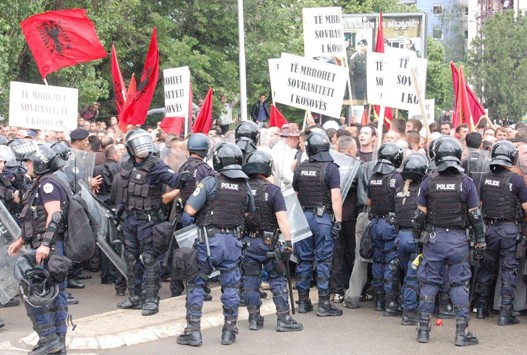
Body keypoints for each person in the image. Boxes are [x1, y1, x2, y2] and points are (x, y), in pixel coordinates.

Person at [177, 142, 254, 346]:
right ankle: (229, 331)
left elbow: (190, 211)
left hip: (209, 242)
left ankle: (193, 331)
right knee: (230, 286)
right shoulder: (244, 185)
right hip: (233, 242)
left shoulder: (210, 181)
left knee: (197, 284)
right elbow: (247, 212)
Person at [413, 136, 483, 346]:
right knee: (459, 284)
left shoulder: (428, 181)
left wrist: (418, 239)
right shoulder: (466, 182)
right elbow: (475, 216)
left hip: (434, 240)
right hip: (458, 241)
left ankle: (423, 331)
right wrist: (480, 241)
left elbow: (419, 216)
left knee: (429, 282)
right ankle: (462, 334)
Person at [115, 129, 190, 316]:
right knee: (131, 259)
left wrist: (183, 177)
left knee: (150, 259)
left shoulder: (156, 165)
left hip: (148, 222)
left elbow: (172, 179)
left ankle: (151, 300)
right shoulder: (126, 164)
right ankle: (134, 296)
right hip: (130, 220)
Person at [8, 145, 70, 354]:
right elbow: (35, 218)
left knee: (41, 293)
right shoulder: (40, 183)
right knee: (51, 294)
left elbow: (55, 215)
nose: (26, 165)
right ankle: (56, 343)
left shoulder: (48, 184)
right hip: (44, 246)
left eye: (29, 161)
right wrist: (22, 240)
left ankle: (50, 339)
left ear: (40, 163)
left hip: (49, 248)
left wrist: (45, 244)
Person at [241, 150, 303, 332]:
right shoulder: (273, 190)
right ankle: (283, 318)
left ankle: (254, 319)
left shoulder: (242, 188)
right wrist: (289, 243)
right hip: (269, 243)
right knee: (277, 279)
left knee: (250, 281)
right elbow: (282, 219)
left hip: (248, 243)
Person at [474, 141, 527, 325]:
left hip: (489, 229)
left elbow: (479, 203)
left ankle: (481, 308)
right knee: (508, 270)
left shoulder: (486, 177)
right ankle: (505, 313)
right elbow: (525, 207)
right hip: (509, 230)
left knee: (486, 268)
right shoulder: (516, 179)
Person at [292, 130, 343, 317]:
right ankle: (323, 303)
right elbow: (335, 197)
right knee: (323, 260)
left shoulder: (299, 167)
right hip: (323, 219)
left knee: (303, 259)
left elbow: (295, 195)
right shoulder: (331, 168)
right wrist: (339, 221)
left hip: (303, 217)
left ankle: (304, 302)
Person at [162, 133, 215, 298]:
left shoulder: (184, 167)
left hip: (182, 213)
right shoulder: (207, 170)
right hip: (199, 215)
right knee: (199, 253)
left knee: (179, 251)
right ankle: (199, 287)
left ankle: (176, 288)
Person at [368, 143, 404, 315]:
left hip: (374, 222)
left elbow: (369, 201)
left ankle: (379, 300)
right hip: (390, 224)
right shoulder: (397, 177)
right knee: (391, 262)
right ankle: (391, 303)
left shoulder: (373, 176)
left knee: (377, 261)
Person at [395, 154, 428, 325]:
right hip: (415, 239)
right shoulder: (423, 190)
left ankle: (402, 304)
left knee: (406, 274)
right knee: (412, 277)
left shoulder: (400, 190)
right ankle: (409, 312)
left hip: (400, 237)